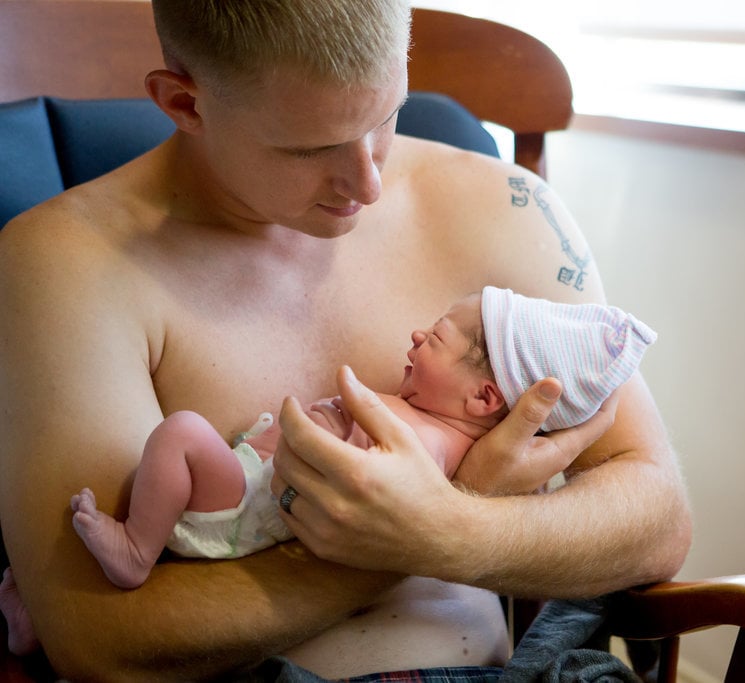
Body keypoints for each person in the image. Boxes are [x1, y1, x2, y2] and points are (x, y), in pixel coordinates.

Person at [0, 0, 692, 680]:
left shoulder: (502, 207)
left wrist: (454, 526)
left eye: (386, 115)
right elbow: (99, 642)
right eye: (312, 147)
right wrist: (410, 539)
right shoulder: (70, 262)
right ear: (185, 104)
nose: (368, 181)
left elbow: (657, 515)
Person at [1, 286, 656, 653]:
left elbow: (387, 497)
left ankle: (135, 549)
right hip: (260, 497)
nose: (415, 338)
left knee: (179, 434)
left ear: (484, 398)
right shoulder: (433, 422)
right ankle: (31, 614)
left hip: (258, 507)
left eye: (437, 339)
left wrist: (338, 432)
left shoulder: (427, 441)